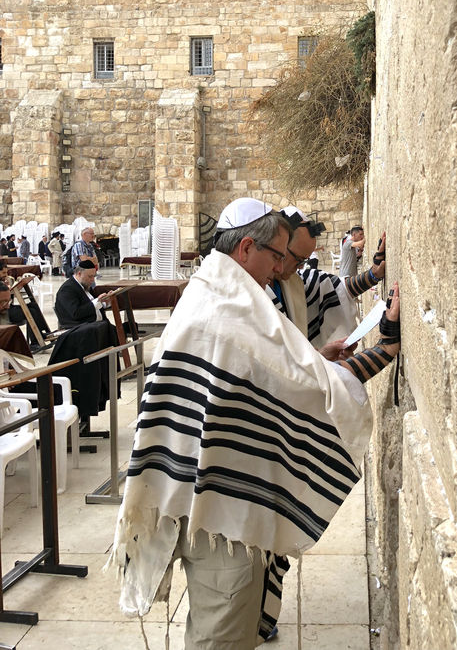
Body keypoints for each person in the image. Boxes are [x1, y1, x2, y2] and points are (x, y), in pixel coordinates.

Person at [111, 198, 401, 650]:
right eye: (277, 256)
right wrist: (381, 351)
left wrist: (321, 361)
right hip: (221, 520)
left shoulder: (215, 293)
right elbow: (296, 386)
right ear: (247, 247)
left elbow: (282, 373)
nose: (281, 268)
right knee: (221, 636)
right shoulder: (228, 313)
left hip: (203, 501)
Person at [271, 207, 386, 354]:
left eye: (304, 261)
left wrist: (373, 275)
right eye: (298, 259)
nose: (301, 266)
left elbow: (336, 288)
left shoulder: (295, 280)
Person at [49, 260, 118, 423]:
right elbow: (75, 313)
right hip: (76, 335)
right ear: (78, 274)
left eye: (94, 276)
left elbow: (93, 308)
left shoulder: (86, 288)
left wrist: (103, 303)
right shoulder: (68, 289)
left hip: (92, 331)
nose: (92, 280)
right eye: (89, 276)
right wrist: (96, 303)